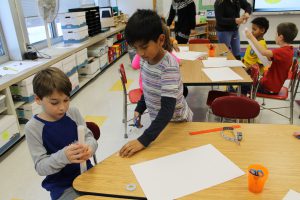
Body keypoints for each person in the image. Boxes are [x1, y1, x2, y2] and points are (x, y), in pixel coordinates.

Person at [119, 9, 193, 157]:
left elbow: (167, 110)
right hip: (161, 124)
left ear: (160, 40)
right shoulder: (144, 60)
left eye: (144, 47)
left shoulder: (168, 66)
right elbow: (148, 88)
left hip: (178, 124)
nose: (139, 53)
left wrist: (143, 140)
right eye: (136, 48)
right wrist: (140, 108)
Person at [25, 68, 98, 200]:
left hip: (87, 174)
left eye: (66, 100)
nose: (62, 107)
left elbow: (89, 137)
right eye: (54, 102)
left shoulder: (73, 112)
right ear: (38, 99)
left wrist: (89, 148)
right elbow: (41, 167)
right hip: (62, 187)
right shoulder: (33, 128)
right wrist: (64, 156)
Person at [244, 22, 298, 94]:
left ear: (281, 37)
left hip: (269, 87)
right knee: (246, 81)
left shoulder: (282, 51)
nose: (275, 36)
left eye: (276, 34)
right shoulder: (289, 49)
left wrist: (251, 37)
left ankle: (239, 101)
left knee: (241, 85)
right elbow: (268, 57)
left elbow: (263, 52)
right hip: (271, 85)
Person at [131, 22, 180, 92]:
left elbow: (134, 65)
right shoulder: (145, 55)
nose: (141, 53)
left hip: (147, 88)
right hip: (151, 90)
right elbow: (178, 61)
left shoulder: (144, 54)